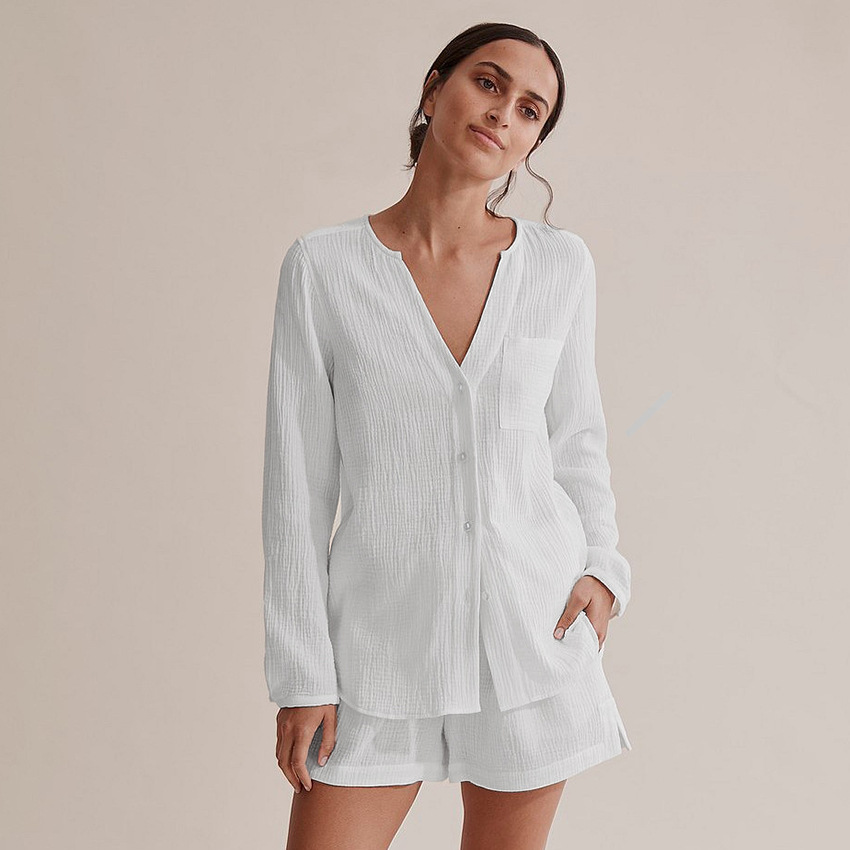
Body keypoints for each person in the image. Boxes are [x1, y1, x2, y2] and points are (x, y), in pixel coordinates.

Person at [262, 21, 633, 850]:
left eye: (531, 109)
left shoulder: (560, 266)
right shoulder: (324, 269)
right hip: (378, 650)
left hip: (532, 636)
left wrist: (603, 570)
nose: (504, 113)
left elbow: (577, 438)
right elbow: (296, 487)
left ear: (534, 141)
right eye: (489, 83)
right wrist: (302, 672)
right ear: (435, 90)